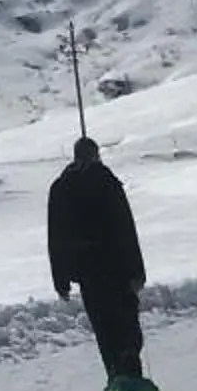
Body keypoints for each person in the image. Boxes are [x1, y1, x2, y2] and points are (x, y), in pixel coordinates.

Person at [48, 137, 147, 375]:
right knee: (128, 333)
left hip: (87, 273)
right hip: (117, 269)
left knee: (105, 333)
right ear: (96, 155)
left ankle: (115, 379)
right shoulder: (107, 182)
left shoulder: (61, 187)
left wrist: (60, 279)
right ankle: (132, 379)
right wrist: (137, 271)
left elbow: (56, 237)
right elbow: (126, 229)